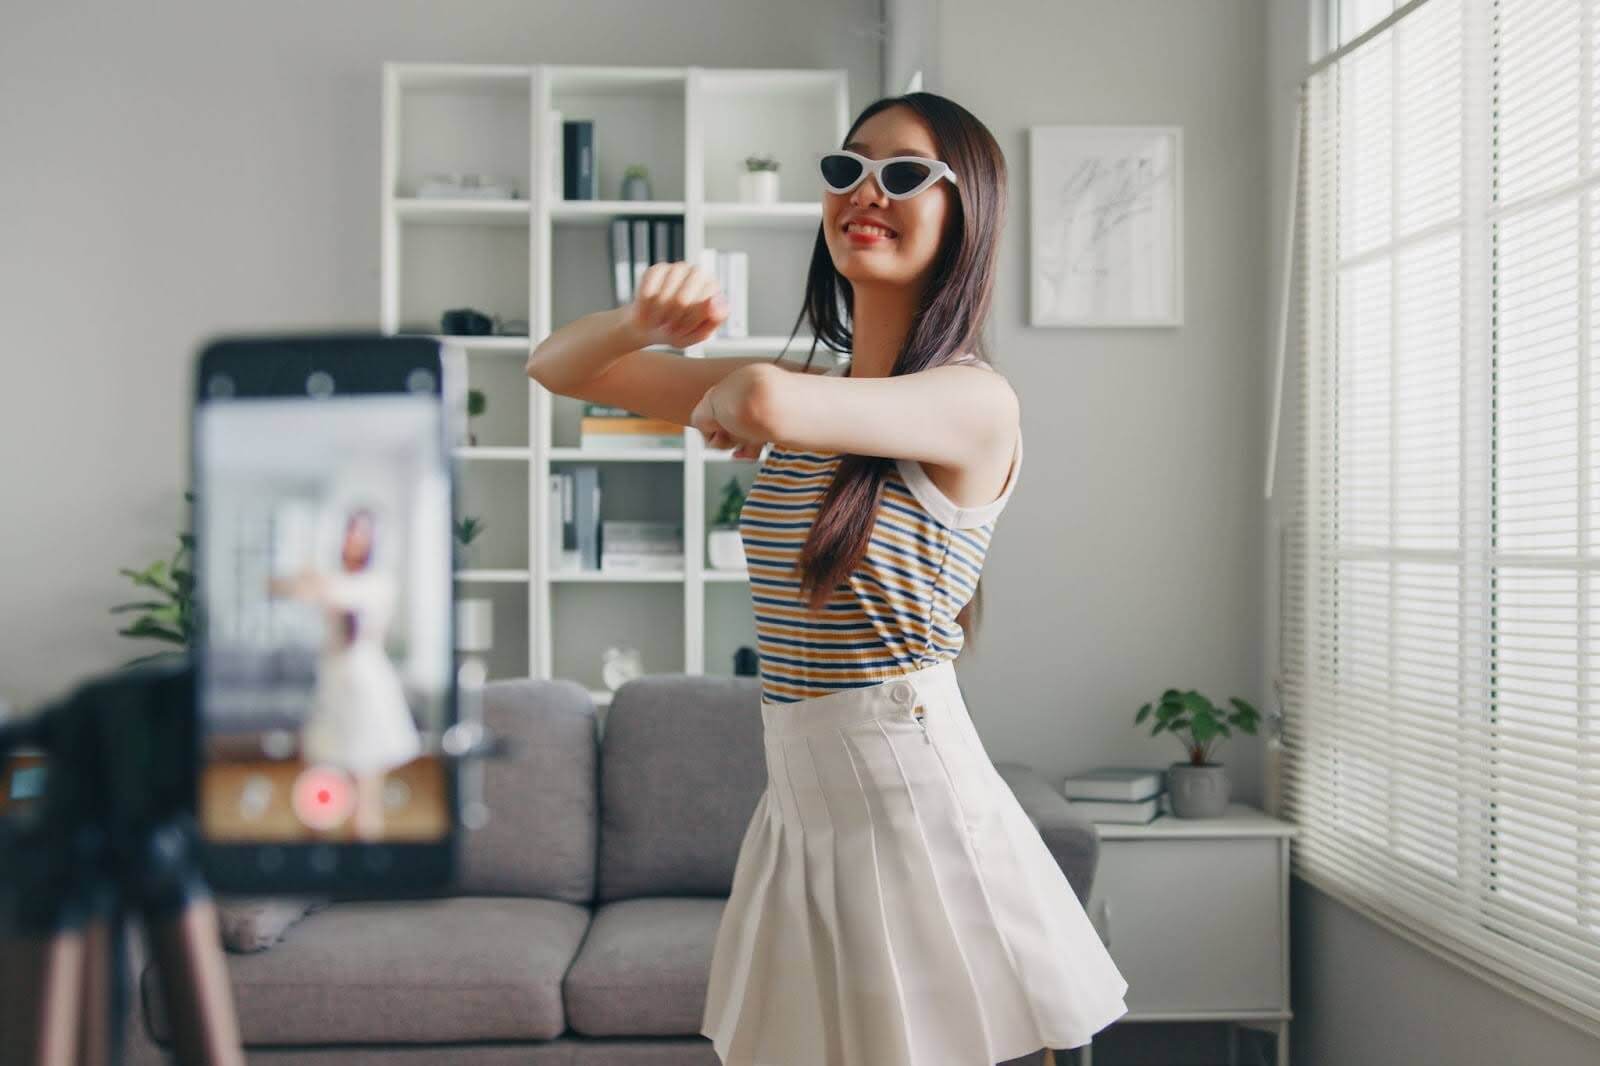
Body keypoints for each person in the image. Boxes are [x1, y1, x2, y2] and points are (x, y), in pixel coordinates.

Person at [526, 91, 1128, 1066]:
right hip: (804, 795)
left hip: (907, 795)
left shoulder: (974, 401)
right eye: (847, 169)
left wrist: (743, 400)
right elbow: (558, 367)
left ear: (965, 209)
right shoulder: (820, 393)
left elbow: (761, 400)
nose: (865, 192)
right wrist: (637, 322)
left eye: (904, 174)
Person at [269, 506, 422, 840]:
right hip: (333, 688)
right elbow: (284, 587)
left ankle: (365, 864)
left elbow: (332, 592)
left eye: (361, 532)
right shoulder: (335, 577)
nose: (354, 538)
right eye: (350, 531)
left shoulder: (377, 582)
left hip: (366, 690)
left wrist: (313, 579)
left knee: (365, 798)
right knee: (315, 792)